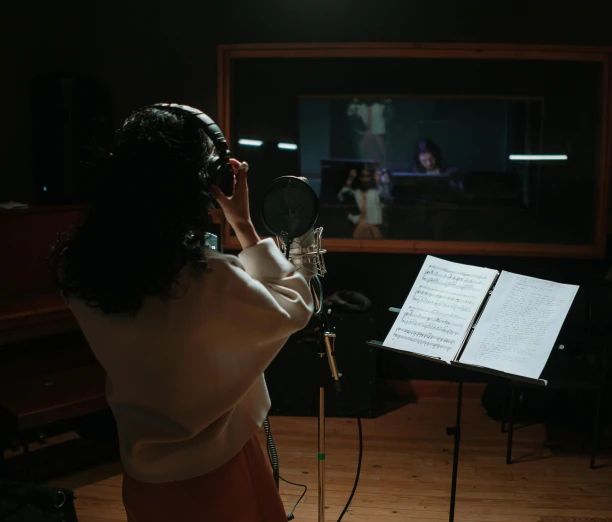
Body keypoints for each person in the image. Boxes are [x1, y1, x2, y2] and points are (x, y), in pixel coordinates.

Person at [50, 105, 314, 522]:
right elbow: (295, 305)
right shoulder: (205, 276)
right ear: (203, 183)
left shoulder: (77, 269)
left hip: (143, 477)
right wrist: (243, 224)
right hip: (217, 471)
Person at [337, 164, 385, 239]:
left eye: (367, 176)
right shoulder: (356, 193)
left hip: (373, 229)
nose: (365, 179)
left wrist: (378, 181)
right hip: (357, 227)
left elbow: (385, 196)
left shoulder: (375, 193)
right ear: (359, 178)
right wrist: (351, 178)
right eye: (363, 176)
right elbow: (342, 196)